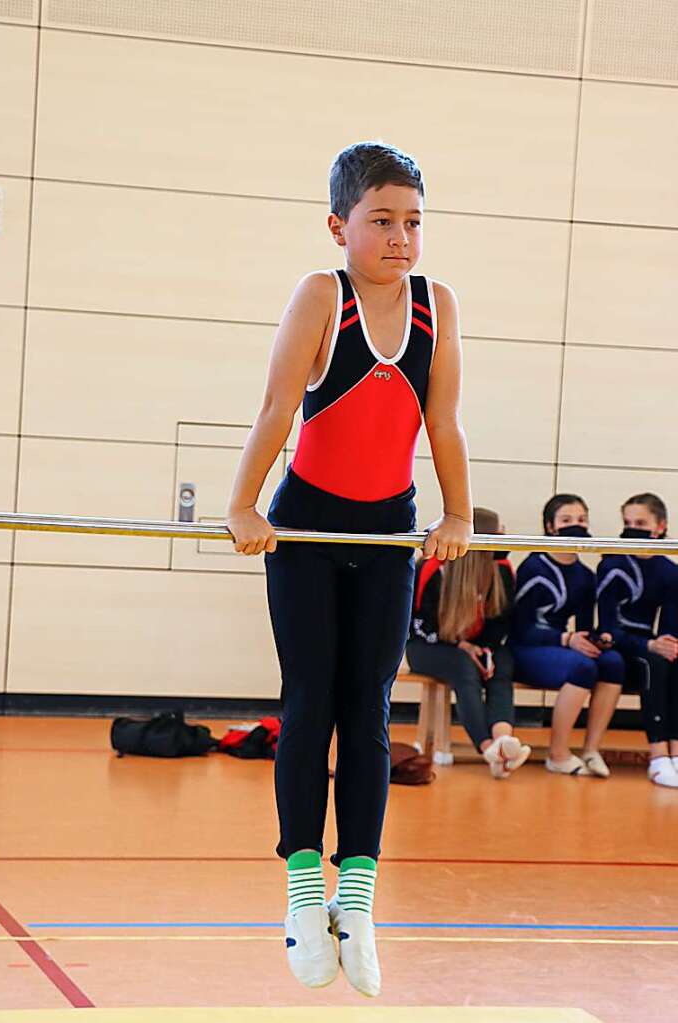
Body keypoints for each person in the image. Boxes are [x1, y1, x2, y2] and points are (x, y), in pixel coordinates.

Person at [225, 141, 473, 997]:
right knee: (309, 700)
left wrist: (457, 514)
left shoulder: (435, 307)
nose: (400, 237)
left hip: (385, 535)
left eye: (412, 222)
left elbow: (442, 426)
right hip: (303, 527)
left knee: (367, 708)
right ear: (339, 226)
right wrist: (242, 506)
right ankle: (302, 894)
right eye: (381, 221)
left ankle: (357, 899)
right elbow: (276, 406)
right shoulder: (319, 297)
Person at [406, 506, 530, 778]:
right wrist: (460, 646)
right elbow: (415, 625)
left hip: (477, 645)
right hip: (428, 646)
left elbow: (501, 621)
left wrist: (484, 648)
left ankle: (502, 739)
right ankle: (487, 748)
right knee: (464, 667)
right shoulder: (430, 569)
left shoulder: (502, 570)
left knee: (501, 662)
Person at [510, 494, 625, 776]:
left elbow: (584, 626)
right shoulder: (534, 567)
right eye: (566, 520)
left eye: (581, 519)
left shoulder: (585, 575)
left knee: (612, 662)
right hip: (527, 648)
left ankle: (590, 750)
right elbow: (519, 628)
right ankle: (558, 753)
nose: (576, 524)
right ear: (551, 527)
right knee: (582, 666)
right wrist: (565, 639)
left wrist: (599, 638)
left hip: (560, 646)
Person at [597, 493, 678, 788]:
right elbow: (607, 626)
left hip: (650, 643)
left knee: (672, 658)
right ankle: (657, 755)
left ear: (660, 527)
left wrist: (669, 644)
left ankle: (676, 752)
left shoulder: (670, 571)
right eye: (628, 522)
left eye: (640, 523)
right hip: (619, 645)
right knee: (654, 661)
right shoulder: (613, 565)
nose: (633, 528)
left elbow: (671, 627)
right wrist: (650, 646)